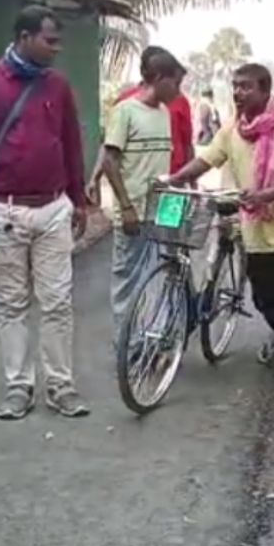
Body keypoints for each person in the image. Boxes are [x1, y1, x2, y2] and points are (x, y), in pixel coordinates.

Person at [0, 5, 90, 421]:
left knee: (57, 302)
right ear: (25, 37)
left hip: (53, 210)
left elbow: (71, 143)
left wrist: (78, 199)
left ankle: (60, 386)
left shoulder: (59, 87)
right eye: (50, 40)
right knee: (12, 303)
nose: (57, 48)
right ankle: (18, 386)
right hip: (4, 212)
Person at [162, 63, 274, 397]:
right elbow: (208, 160)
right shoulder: (233, 129)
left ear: (264, 90)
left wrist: (263, 195)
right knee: (264, 298)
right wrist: (175, 178)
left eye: (246, 87)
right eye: (235, 86)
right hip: (256, 230)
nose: (238, 93)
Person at [90, 48, 186, 338]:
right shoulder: (125, 111)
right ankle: (127, 344)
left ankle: (155, 340)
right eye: (175, 83)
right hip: (133, 212)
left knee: (161, 273)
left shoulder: (165, 112)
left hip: (164, 208)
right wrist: (126, 206)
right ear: (157, 78)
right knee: (128, 280)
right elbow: (109, 160)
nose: (178, 91)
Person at [115, 46, 194, 174]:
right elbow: (112, 148)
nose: (177, 90)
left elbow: (187, 143)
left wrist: (190, 179)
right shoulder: (125, 105)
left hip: (174, 178)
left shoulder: (180, 101)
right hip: (136, 180)